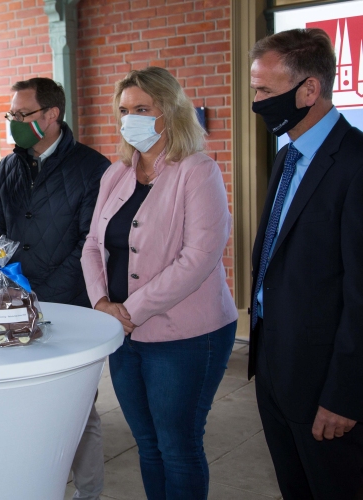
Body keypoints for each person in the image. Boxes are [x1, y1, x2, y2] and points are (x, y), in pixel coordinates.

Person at [81, 67, 238, 499]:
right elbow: (93, 245)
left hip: (185, 335)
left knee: (178, 446)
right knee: (147, 445)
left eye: (142, 109)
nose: (129, 118)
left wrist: (130, 310)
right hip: (122, 333)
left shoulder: (197, 171)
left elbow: (199, 258)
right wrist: (101, 305)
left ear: (168, 113)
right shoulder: (116, 174)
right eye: (124, 110)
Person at [248, 28, 363, 499]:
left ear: (309, 89)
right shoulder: (288, 155)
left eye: (265, 91)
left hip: (325, 384)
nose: (256, 101)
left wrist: (345, 395)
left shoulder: (355, 164)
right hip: (275, 365)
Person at [0, 77, 110, 500]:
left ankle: (88, 493)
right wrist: (6, 288)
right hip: (12, 305)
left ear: (51, 115)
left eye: (22, 115)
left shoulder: (92, 168)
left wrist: (42, 297)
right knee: (24, 404)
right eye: (11, 115)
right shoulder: (10, 166)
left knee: (78, 407)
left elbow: (90, 244)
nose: (15, 123)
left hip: (69, 305)